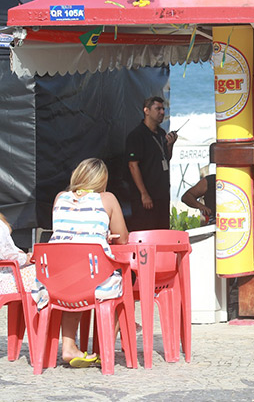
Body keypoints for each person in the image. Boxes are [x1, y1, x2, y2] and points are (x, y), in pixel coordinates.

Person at [44, 158, 129, 367]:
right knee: (121, 291)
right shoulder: (107, 199)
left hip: (56, 281)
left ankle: (69, 346)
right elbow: (124, 238)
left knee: (76, 284)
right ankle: (104, 349)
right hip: (92, 280)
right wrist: (105, 234)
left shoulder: (59, 198)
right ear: (102, 180)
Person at [126, 96, 178, 231]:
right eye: (158, 109)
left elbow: (166, 158)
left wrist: (170, 145)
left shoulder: (161, 133)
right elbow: (133, 165)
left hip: (161, 193)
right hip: (146, 195)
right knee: (147, 230)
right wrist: (144, 194)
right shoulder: (137, 135)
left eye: (163, 109)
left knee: (162, 230)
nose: (162, 112)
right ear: (146, 111)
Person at [0, 213, 39, 298]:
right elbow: (5, 252)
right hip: (4, 280)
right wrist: (27, 259)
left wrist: (22, 255)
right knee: (45, 272)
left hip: (6, 276)